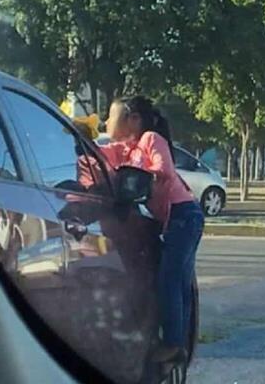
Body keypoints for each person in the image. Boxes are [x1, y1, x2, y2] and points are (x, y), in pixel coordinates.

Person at [101, 95, 204, 363]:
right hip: (180, 217)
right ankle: (179, 343)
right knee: (178, 281)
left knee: (170, 280)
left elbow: (164, 171)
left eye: (110, 116)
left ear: (133, 119)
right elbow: (101, 154)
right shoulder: (130, 147)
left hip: (183, 215)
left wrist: (142, 178)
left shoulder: (150, 140)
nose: (105, 122)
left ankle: (172, 343)